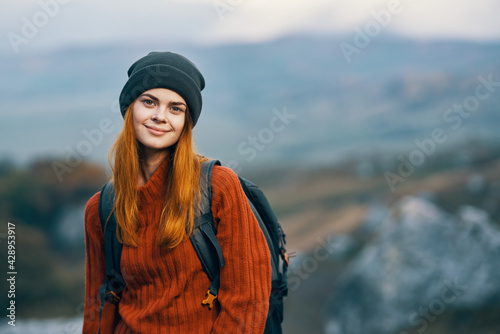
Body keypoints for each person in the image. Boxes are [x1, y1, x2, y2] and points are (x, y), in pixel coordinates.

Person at [82, 52, 272, 333]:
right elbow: (98, 306)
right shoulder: (101, 207)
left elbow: (247, 302)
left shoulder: (217, 188)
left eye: (175, 108)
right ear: (130, 108)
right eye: (149, 102)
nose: (160, 116)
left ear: (186, 122)